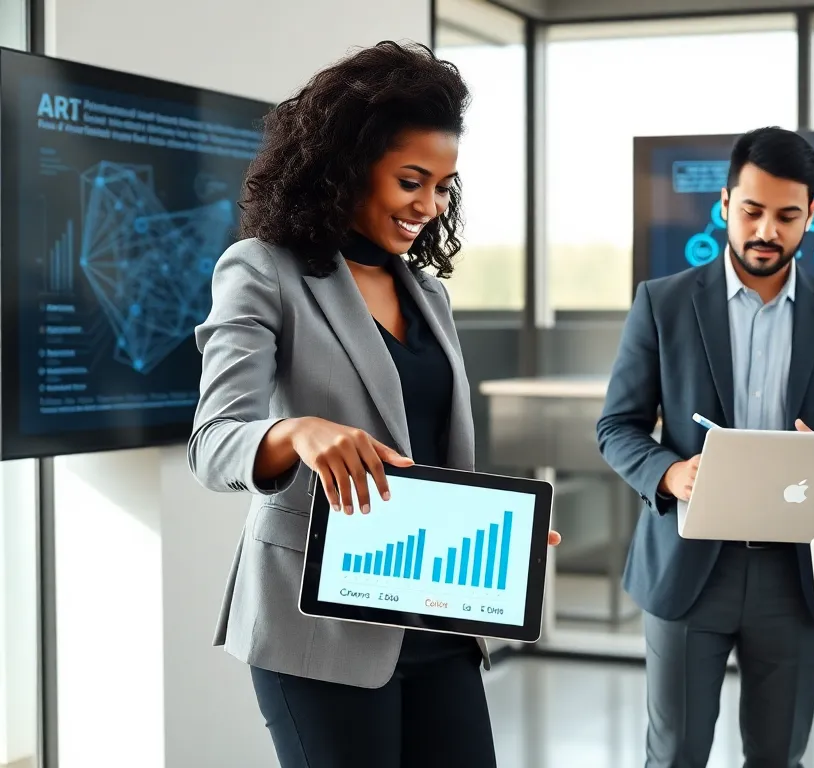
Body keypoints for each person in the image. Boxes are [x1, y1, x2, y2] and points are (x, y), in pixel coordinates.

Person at [187, 41, 558, 768]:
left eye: (444, 186)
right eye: (411, 181)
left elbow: (429, 456)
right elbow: (213, 443)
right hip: (317, 628)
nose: (430, 206)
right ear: (349, 167)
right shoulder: (262, 270)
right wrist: (297, 432)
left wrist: (502, 540)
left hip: (440, 617)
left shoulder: (430, 295)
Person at [596, 126, 814, 768]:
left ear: (812, 215)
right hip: (687, 567)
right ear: (725, 204)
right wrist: (670, 473)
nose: (766, 231)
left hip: (795, 578)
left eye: (787, 216)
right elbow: (616, 426)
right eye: (752, 211)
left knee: (779, 758)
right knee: (674, 756)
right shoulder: (663, 303)